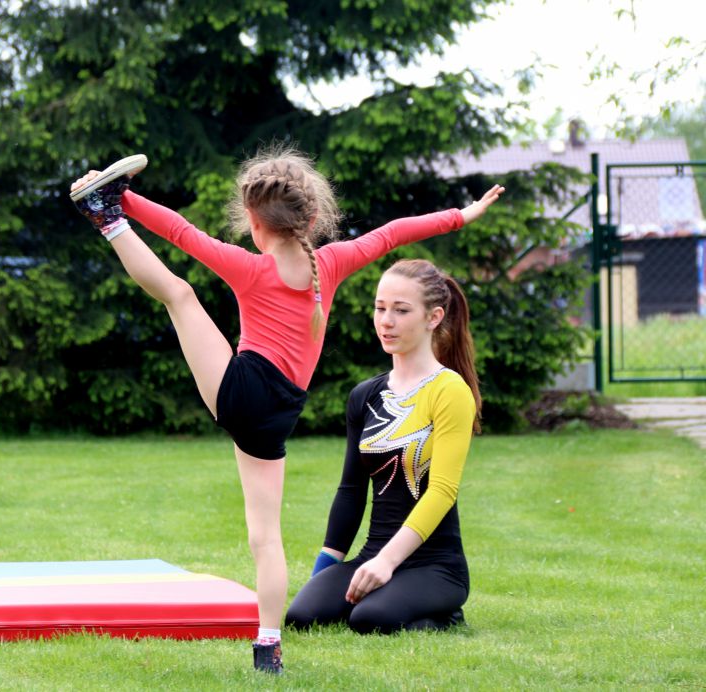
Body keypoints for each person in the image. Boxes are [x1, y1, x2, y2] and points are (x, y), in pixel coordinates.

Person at [70, 148, 503, 672]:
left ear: (254, 223)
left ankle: (106, 217)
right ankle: (268, 644)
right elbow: (393, 233)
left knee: (180, 295)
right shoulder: (333, 263)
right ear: (312, 218)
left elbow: (182, 233)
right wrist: (462, 215)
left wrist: (128, 202)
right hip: (278, 417)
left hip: (242, 390)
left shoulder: (249, 267)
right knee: (264, 537)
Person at [285, 258, 481, 635]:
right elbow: (351, 490)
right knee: (303, 616)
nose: (386, 321)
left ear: (434, 317)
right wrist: (322, 575)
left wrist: (387, 562)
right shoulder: (365, 395)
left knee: (369, 619)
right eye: (380, 308)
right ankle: (380, 589)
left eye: (401, 310)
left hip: (435, 566)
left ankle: (447, 615)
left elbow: (442, 491)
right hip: (373, 554)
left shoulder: (450, 390)